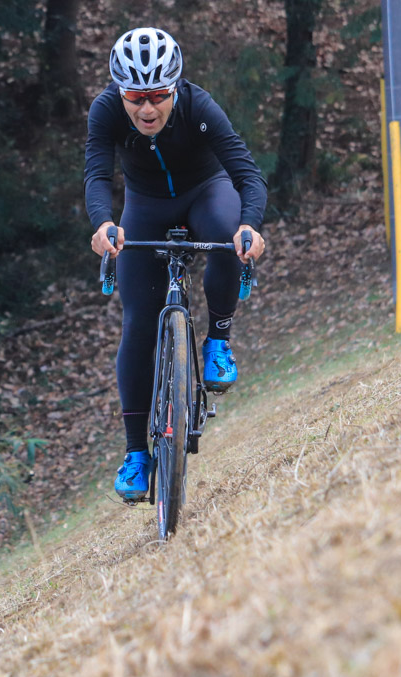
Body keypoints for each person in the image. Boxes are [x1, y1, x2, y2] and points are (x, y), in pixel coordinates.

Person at [84, 26, 268, 502]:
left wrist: (250, 227)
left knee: (226, 238)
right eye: (136, 97)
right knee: (138, 326)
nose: (147, 109)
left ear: (176, 87)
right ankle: (136, 455)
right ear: (120, 92)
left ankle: (219, 341)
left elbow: (247, 174)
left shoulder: (198, 106)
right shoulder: (106, 111)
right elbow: (97, 174)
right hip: (145, 205)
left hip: (206, 191)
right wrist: (104, 224)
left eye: (158, 95)